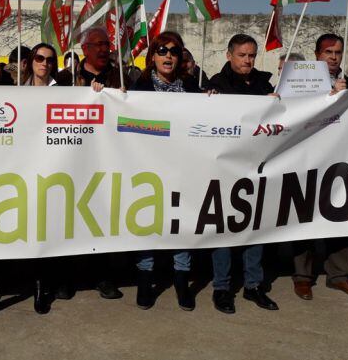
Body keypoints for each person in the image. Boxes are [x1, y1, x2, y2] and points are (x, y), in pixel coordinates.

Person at [290, 34, 348, 301]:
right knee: (303, 218)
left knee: (339, 216)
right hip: (305, 160)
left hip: (338, 163)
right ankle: (303, 277)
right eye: (328, 51)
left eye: (338, 52)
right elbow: (291, 111)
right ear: (317, 54)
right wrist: (328, 98)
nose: (333, 56)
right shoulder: (300, 81)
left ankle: (338, 275)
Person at [0, 43, 58, 318]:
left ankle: (39, 288)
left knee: (40, 235)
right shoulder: (14, 90)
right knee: (9, 235)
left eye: (49, 59)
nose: (44, 63)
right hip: (15, 174)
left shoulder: (64, 91)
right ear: (30, 61)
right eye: (39, 58)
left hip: (50, 172)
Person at [207, 33, 278, 314]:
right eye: (242, 55)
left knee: (254, 228)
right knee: (224, 230)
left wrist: (276, 101)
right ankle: (222, 288)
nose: (248, 60)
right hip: (225, 167)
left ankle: (253, 286)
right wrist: (207, 101)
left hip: (258, 166)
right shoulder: (216, 85)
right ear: (229, 55)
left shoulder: (264, 83)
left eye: (251, 55)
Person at [129, 32, 199, 311]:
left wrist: (214, 101)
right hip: (149, 167)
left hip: (184, 168)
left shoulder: (193, 87)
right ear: (152, 57)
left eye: (174, 51)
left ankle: (182, 281)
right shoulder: (139, 87)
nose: (168, 55)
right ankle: (145, 281)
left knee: (180, 224)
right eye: (161, 50)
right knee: (148, 223)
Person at [57, 26, 126, 300]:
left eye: (106, 44)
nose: (103, 49)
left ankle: (103, 277)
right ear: (84, 49)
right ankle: (65, 277)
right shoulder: (65, 78)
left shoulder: (120, 76)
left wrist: (123, 96)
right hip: (71, 159)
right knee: (67, 219)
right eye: (97, 44)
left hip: (108, 160)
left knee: (101, 218)